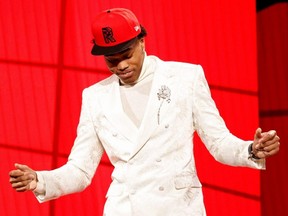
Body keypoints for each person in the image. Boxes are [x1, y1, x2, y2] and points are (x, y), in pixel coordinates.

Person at [9, 8, 280, 216]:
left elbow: (219, 143)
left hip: (177, 208)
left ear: (142, 41)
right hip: (124, 208)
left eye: (126, 54)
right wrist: (40, 180)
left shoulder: (185, 78)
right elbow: (80, 170)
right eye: (111, 60)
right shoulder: (94, 97)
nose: (121, 65)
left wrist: (251, 150)